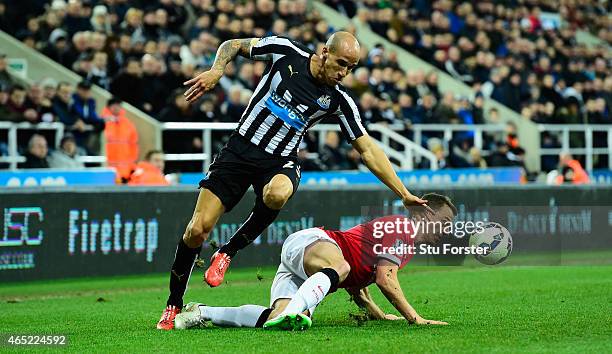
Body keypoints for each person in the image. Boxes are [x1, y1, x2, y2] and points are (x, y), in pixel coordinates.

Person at [157, 32, 430, 330]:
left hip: (281, 161)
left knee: (277, 194)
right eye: (340, 63)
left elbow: (367, 149)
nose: (343, 73)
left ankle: (226, 252)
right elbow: (233, 45)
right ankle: (174, 304)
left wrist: (402, 192)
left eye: (350, 68)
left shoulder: (338, 100)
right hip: (238, 151)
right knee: (197, 230)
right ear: (325, 52)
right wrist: (217, 69)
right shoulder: (285, 51)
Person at [173, 193, 455, 331]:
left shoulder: (400, 238)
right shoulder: (402, 230)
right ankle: (297, 310)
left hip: (305, 266)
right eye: (443, 222)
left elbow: (358, 284)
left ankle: (201, 312)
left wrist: (378, 314)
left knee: (276, 320)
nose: (444, 230)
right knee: (340, 267)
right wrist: (415, 319)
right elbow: (385, 279)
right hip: (312, 243)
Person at [101, 97, 139, 182]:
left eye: (118, 105)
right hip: (107, 168)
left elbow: (133, 144)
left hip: (125, 170)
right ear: (108, 107)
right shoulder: (101, 123)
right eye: (113, 105)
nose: (116, 108)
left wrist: (132, 165)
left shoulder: (128, 124)